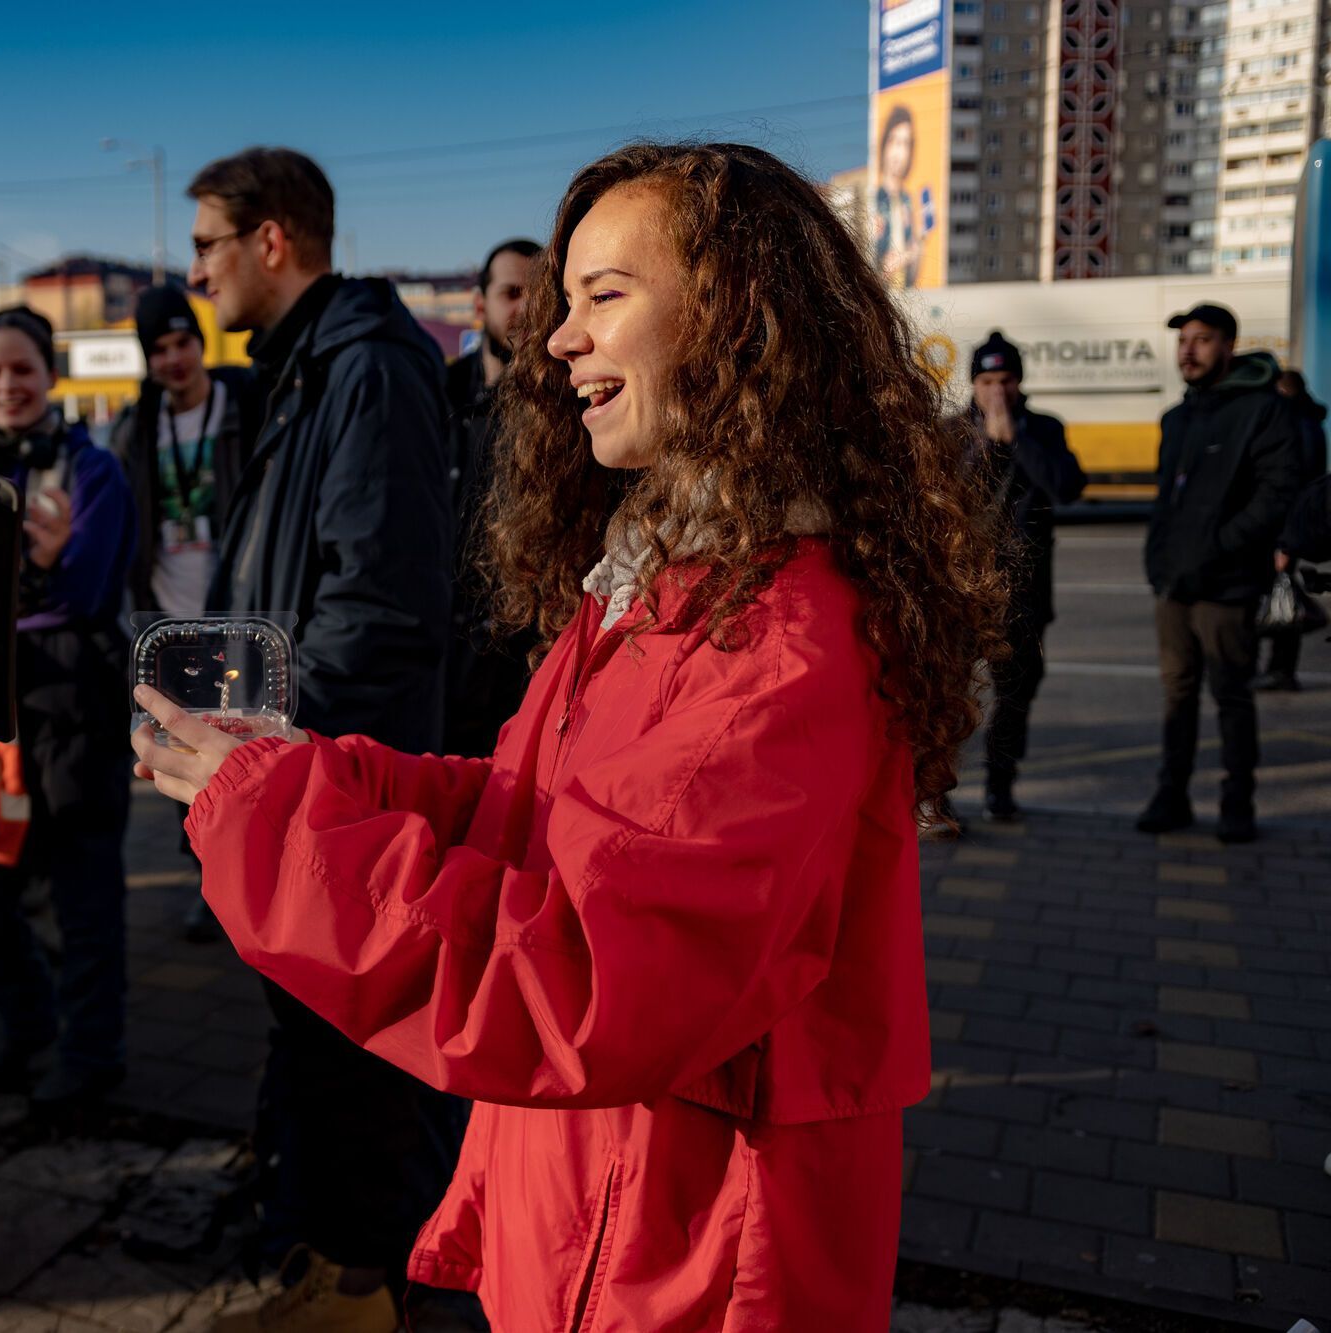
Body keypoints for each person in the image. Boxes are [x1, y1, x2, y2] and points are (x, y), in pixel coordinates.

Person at [134, 140, 1004, 1329]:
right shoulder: (665, 578)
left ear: (738, 316)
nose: (557, 337)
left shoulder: (777, 645)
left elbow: (582, 984)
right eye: (563, 300)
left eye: (604, 296)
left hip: (685, 1259)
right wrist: (304, 772)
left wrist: (276, 822)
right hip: (608, 1205)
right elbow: (521, 807)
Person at [182, 145, 460, 1330]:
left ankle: (361, 1289)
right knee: (310, 1041)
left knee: (354, 1058)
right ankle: (324, 1265)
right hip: (296, 771)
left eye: (204, 245)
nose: (192, 273)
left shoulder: (366, 372)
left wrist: (270, 746)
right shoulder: (302, 372)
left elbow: (381, 606)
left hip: (338, 780)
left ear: (271, 241)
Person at [0, 306, 136, 1109]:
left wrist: (15, 579)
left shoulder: (95, 469)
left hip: (72, 706)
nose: (8, 385)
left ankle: (90, 1058)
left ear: (50, 377)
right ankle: (27, 1025)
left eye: (23, 369)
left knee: (85, 894)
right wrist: (34, 563)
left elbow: (85, 588)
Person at [108, 285, 261, 943]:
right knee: (179, 763)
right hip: (165, 624)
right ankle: (208, 882)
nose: (174, 360)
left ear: (200, 345)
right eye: (159, 349)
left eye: (182, 343)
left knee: (245, 756)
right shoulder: (133, 429)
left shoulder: (244, 407)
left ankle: (249, 882)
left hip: (236, 616)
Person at [1139, 303, 1299, 843]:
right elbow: (1166, 501)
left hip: (1227, 587)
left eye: (1202, 340)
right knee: (1177, 694)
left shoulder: (1262, 410)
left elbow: (1279, 493)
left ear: (1228, 346)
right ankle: (1171, 795)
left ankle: (1238, 804)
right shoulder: (1178, 416)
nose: (1188, 350)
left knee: (1231, 695)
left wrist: (1222, 547)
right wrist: (1157, 559)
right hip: (1174, 586)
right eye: (1184, 340)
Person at [962, 331, 1084, 820]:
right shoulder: (951, 433)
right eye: (988, 380)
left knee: (1015, 696)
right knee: (946, 695)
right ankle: (934, 792)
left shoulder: (1045, 429)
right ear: (973, 384)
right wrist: (986, 448)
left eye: (1007, 379)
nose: (998, 391)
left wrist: (1017, 439)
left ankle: (1000, 787)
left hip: (1025, 591)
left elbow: (1068, 487)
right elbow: (947, 500)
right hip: (964, 589)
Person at [443, 238, 541, 758]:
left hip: (520, 668)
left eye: (539, 294)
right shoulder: (438, 397)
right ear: (480, 306)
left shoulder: (568, 410)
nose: (526, 308)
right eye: (512, 293)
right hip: (439, 662)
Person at [1258, 369, 1329, 691]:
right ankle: (1279, 668)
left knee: (1281, 595)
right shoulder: (1308, 422)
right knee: (1281, 594)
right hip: (1293, 525)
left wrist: (1285, 544)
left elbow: (1293, 485)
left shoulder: (1295, 427)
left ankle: (1281, 669)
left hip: (1288, 527)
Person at [872, 105, 927, 287]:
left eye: (905, 143)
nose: (898, 152)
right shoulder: (875, 198)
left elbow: (917, 252)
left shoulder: (908, 201)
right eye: (894, 141)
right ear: (884, 145)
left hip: (904, 293)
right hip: (879, 292)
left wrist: (909, 255)